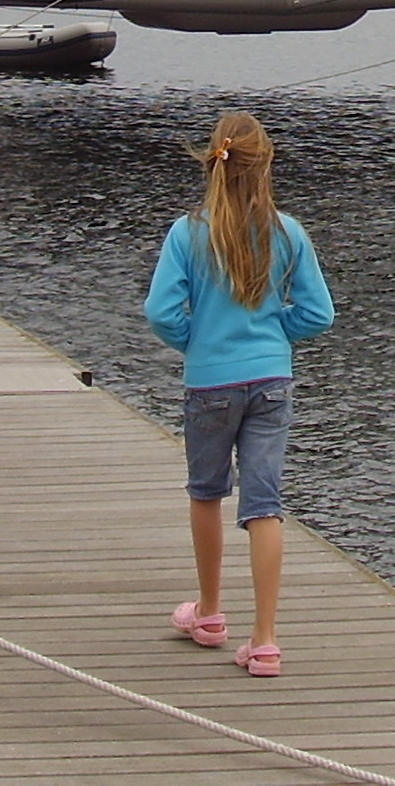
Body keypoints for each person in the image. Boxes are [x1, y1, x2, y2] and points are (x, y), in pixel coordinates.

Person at [144, 110, 335, 678]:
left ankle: (208, 614)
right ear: (265, 166)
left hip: (210, 382)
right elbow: (319, 314)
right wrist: (277, 333)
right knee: (264, 504)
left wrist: (196, 339)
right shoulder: (287, 231)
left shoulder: (189, 231)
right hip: (271, 382)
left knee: (206, 492)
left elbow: (159, 312)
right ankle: (267, 638)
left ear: (214, 161)